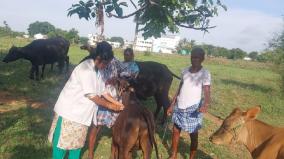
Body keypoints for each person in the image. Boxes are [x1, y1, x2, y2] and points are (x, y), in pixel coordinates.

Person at [48, 41, 124, 159]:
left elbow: (103, 91)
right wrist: (111, 106)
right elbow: (93, 96)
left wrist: (116, 102)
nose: (106, 66)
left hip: (82, 117)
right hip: (69, 114)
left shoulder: (99, 70)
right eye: (106, 64)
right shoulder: (86, 69)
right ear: (98, 58)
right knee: (61, 147)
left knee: (77, 146)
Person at [167, 48, 211, 159]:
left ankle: (192, 157)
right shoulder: (185, 71)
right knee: (176, 130)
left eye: (197, 57)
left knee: (193, 135)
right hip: (180, 106)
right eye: (192, 57)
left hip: (194, 108)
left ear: (202, 59)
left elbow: (206, 90)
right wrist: (172, 104)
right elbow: (180, 87)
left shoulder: (205, 73)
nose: (194, 59)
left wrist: (205, 104)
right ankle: (173, 155)